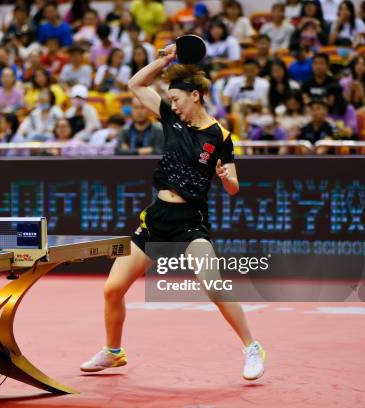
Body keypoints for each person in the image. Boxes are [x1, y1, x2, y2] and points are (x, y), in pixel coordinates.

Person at [80, 43, 266, 380]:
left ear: (194, 95)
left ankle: (252, 347)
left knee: (212, 284)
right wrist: (164, 60)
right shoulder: (170, 118)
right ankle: (113, 351)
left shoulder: (221, 136)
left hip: (190, 222)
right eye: (170, 100)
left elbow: (235, 185)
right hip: (157, 218)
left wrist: (227, 179)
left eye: (177, 99)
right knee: (112, 289)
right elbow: (135, 85)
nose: (172, 105)